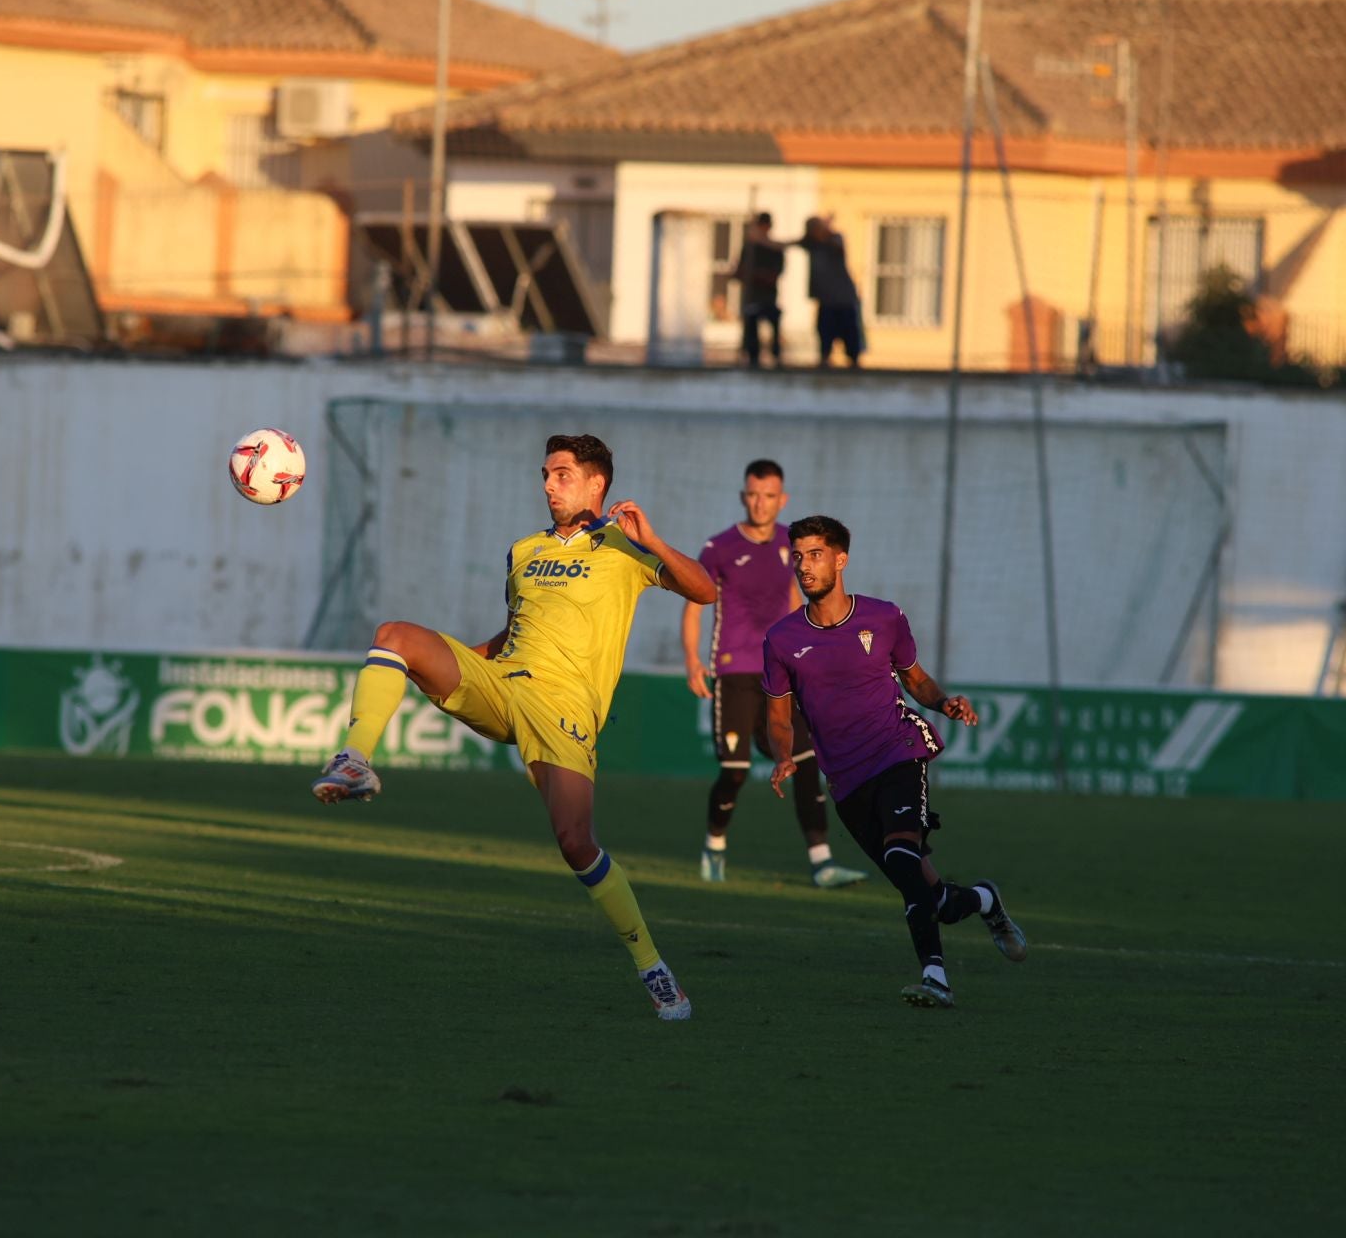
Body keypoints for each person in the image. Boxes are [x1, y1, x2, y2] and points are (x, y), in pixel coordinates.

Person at [311, 435, 718, 1021]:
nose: (549, 484)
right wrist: (453, 666)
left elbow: (705, 590)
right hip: (505, 683)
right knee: (395, 635)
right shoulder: (523, 550)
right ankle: (354, 760)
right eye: (546, 474)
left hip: (565, 708)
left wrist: (650, 539)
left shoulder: (625, 549)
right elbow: (513, 631)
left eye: (562, 474)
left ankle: (653, 967)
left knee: (576, 843)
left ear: (596, 483)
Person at [762, 515, 1026, 1008]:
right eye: (797, 555)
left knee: (903, 858)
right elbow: (779, 718)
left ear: (841, 559)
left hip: (898, 751)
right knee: (936, 900)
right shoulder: (780, 639)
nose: (804, 565)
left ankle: (936, 977)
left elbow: (915, 678)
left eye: (815, 554)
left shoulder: (883, 618)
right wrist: (782, 755)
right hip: (845, 781)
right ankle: (986, 900)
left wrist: (944, 701)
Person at [680, 459, 869, 890]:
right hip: (733, 674)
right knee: (735, 771)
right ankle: (715, 845)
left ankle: (822, 863)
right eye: (753, 494)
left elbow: (796, 602)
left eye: (769, 495)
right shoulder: (719, 548)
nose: (760, 503)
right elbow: (694, 603)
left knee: (804, 762)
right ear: (744, 496)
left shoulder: (794, 545)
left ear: (781, 499)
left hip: (780, 676)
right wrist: (692, 658)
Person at [797, 215, 863, 369]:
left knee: (849, 331)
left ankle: (853, 359)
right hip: (826, 299)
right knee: (825, 330)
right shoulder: (812, 244)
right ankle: (825, 357)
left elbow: (837, 246)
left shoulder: (834, 239)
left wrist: (826, 230)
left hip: (843, 297)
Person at [729, 213, 785, 369]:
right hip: (752, 296)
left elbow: (773, 275)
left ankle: (775, 353)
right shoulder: (749, 248)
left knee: (773, 321)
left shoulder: (774, 249)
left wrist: (755, 274)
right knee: (751, 324)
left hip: (768, 296)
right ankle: (752, 355)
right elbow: (740, 271)